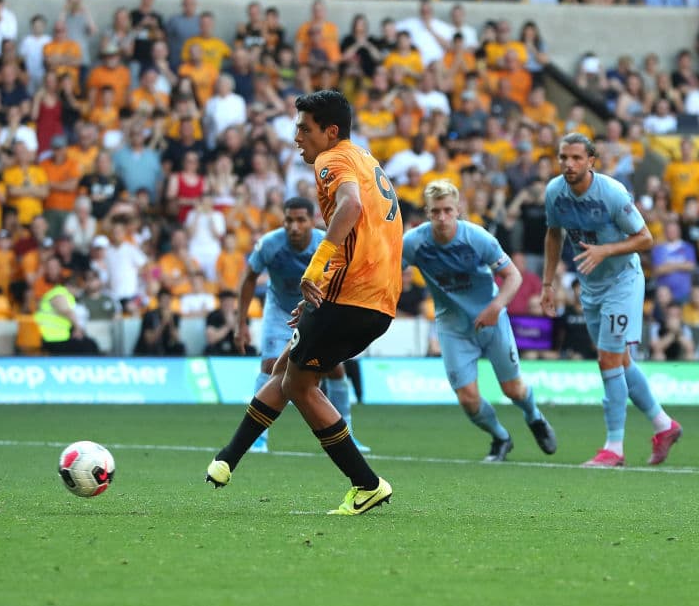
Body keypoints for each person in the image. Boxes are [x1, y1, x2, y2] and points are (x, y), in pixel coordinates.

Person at [206, 90, 402, 515]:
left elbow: (349, 208)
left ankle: (367, 484)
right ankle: (226, 460)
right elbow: (364, 235)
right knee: (285, 369)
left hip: (353, 295)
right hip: (376, 297)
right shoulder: (364, 159)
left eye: (303, 128)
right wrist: (322, 294)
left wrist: (315, 270)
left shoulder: (331, 160)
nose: (296, 136)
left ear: (330, 131)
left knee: (299, 384)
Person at [541, 133, 682, 467]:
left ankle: (614, 448)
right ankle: (664, 425)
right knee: (620, 360)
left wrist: (605, 250)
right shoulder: (554, 192)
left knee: (608, 360)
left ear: (591, 161)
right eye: (563, 158)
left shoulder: (613, 193)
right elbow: (553, 233)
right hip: (591, 286)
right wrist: (548, 283)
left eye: (576, 158)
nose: (569, 164)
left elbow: (645, 238)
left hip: (622, 281)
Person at [402, 180, 557, 461]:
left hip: (492, 320)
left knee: (513, 390)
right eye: (435, 211)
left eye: (447, 210)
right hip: (452, 327)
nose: (442, 217)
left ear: (458, 209)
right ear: (427, 212)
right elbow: (390, 271)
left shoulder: (477, 238)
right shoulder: (413, 243)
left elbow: (513, 276)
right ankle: (501, 437)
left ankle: (534, 416)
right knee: (468, 399)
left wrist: (496, 306)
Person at [235, 195, 372, 454]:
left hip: (315, 311)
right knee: (270, 366)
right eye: (289, 220)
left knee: (335, 370)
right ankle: (258, 438)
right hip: (279, 311)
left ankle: (349, 434)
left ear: (312, 221)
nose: (294, 226)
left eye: (300, 220)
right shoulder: (269, 245)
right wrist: (240, 322)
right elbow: (249, 278)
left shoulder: (326, 243)